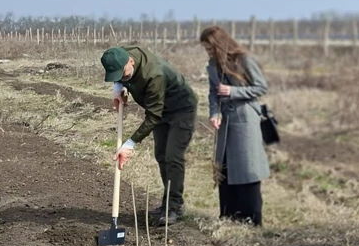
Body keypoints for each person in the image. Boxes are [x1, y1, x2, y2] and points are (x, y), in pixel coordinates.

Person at [101, 44, 197, 224]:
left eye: (123, 74)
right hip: (160, 108)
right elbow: (119, 71)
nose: (122, 78)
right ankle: (170, 203)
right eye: (117, 76)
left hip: (181, 108)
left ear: (131, 61)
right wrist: (117, 89)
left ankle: (174, 207)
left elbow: (154, 116)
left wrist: (129, 144)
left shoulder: (154, 74)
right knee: (161, 155)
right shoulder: (121, 55)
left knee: (173, 157)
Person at [201, 25, 270, 226]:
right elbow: (213, 92)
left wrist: (233, 91)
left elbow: (261, 87)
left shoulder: (244, 60)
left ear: (220, 45)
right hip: (225, 123)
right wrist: (214, 112)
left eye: (210, 48)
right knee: (225, 168)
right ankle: (228, 216)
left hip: (245, 121)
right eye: (206, 49)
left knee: (247, 168)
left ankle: (250, 218)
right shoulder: (213, 65)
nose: (208, 52)